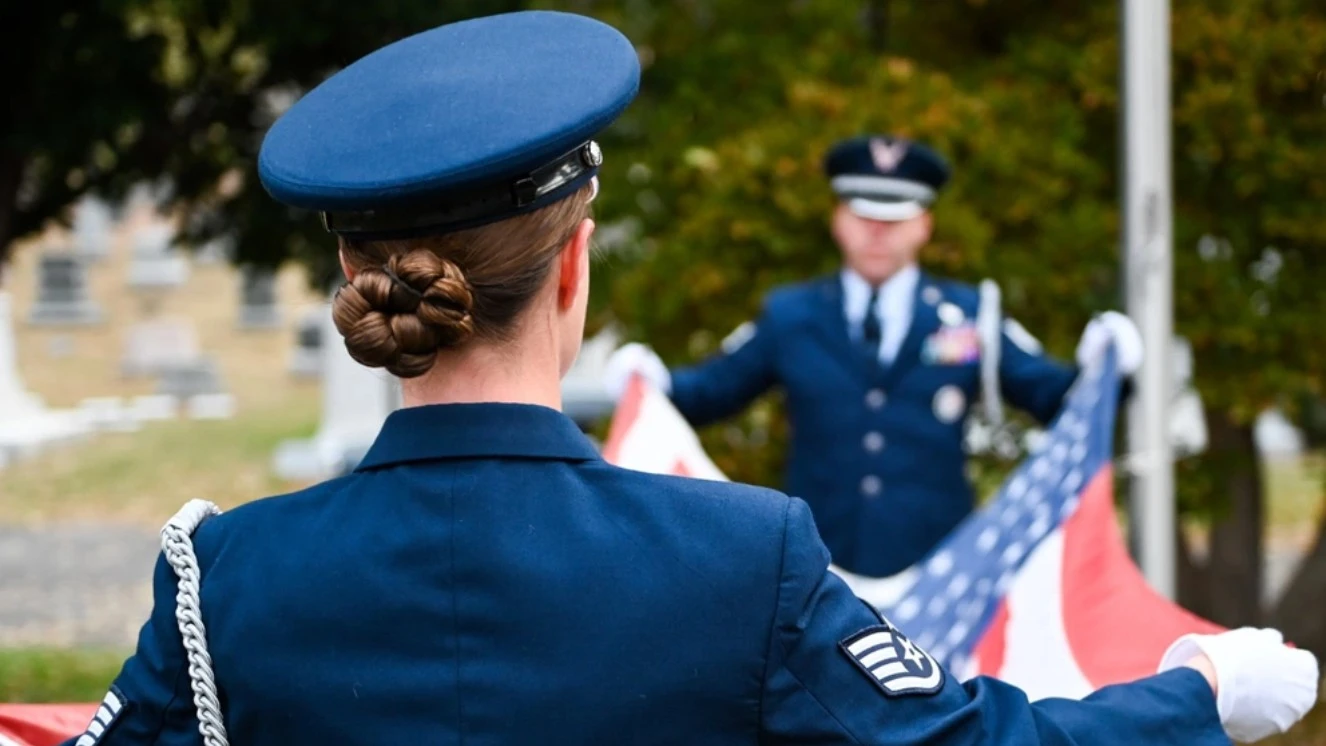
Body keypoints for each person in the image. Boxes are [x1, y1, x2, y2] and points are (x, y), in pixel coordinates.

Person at [67, 10, 1317, 746]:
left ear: (355, 272)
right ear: (575, 271)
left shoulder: (223, 580)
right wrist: (1195, 692)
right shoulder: (743, 561)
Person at [604, 135, 1143, 580]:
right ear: (838, 217)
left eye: (895, 215)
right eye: (864, 213)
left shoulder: (968, 315)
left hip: (938, 575)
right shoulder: (792, 315)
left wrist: (1105, 370)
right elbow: (708, 393)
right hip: (820, 570)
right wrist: (647, 383)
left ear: (925, 224)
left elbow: (1053, 398)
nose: (877, 230)